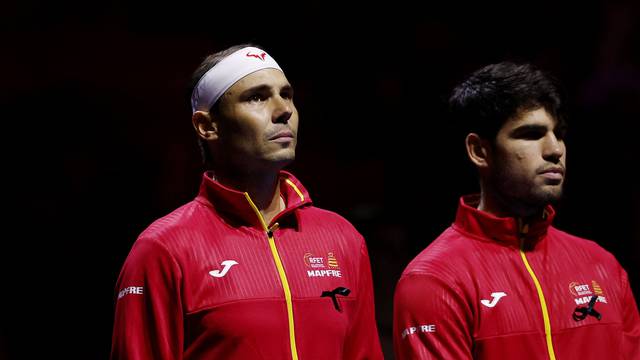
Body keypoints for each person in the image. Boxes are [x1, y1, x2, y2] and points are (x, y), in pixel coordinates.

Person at [110, 44, 383, 359]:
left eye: (287, 94)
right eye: (257, 97)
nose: (284, 110)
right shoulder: (164, 249)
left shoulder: (342, 238)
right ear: (208, 126)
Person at [393, 62, 640, 359]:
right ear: (479, 151)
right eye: (531, 134)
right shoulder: (436, 280)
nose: (555, 149)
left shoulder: (603, 266)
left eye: (558, 133)